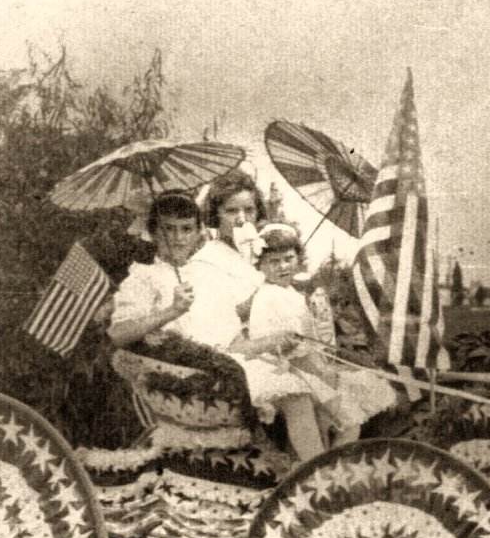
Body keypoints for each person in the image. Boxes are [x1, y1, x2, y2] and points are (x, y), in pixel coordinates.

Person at [107, 191, 329, 464]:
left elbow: (234, 338)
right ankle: (318, 472)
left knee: (314, 384)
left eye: (186, 229)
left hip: (230, 361)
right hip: (195, 375)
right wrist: (172, 311)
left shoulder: (207, 273)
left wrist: (274, 335)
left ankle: (301, 467)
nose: (177, 238)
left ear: (198, 231)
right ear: (153, 232)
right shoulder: (144, 277)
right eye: (168, 229)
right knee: (295, 395)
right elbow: (118, 334)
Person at [248, 222, 399, 444]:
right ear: (259, 265)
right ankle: (324, 462)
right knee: (348, 422)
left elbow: (310, 338)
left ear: (298, 258)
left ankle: (329, 458)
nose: (283, 266)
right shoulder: (270, 296)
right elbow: (288, 346)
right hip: (289, 371)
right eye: (274, 261)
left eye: (288, 258)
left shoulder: (289, 293)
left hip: (306, 367)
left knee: (343, 423)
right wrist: (322, 371)